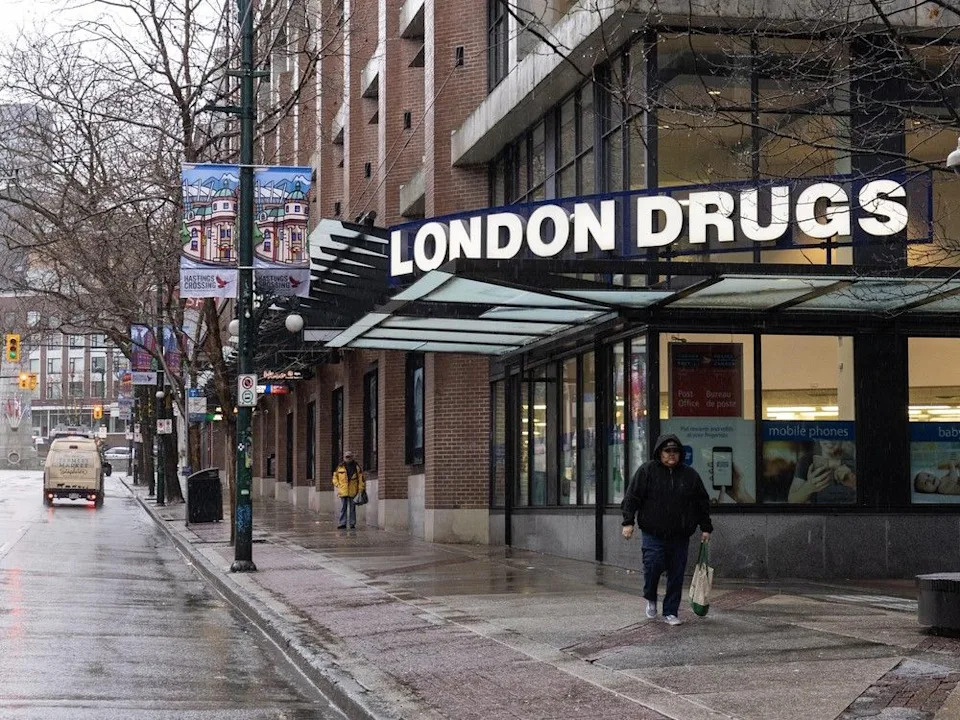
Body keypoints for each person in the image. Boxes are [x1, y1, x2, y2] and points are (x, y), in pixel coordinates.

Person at [621, 433, 713, 626]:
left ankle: (671, 611)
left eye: (675, 451)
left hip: (680, 535)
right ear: (659, 452)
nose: (672, 455)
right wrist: (628, 522)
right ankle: (651, 598)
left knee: (676, 573)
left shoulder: (690, 476)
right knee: (652, 567)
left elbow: (701, 503)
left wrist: (706, 527)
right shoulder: (647, 472)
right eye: (667, 451)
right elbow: (632, 497)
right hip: (653, 533)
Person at [788, 439, 856, 504]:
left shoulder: (853, 460)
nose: (829, 440)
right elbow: (792, 500)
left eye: (834, 434)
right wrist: (808, 487)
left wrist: (853, 484)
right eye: (825, 433)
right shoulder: (807, 460)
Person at [332, 450, 365, 529]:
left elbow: (361, 479)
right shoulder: (339, 467)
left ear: (352, 457)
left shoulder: (356, 467)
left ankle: (352, 523)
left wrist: (360, 489)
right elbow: (334, 477)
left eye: (349, 457)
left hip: (353, 491)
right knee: (343, 508)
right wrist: (338, 485)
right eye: (346, 457)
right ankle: (342, 523)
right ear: (344, 458)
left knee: (352, 508)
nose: (348, 458)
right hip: (343, 491)